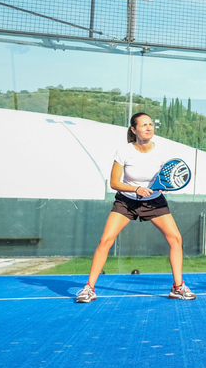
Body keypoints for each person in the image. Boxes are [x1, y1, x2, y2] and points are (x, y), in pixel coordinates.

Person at [76, 112, 196, 303]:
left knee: (175, 239)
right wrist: (137, 189)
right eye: (144, 125)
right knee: (105, 240)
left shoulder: (161, 153)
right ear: (134, 129)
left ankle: (177, 287)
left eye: (151, 124)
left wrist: (164, 188)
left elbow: (166, 179)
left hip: (154, 201)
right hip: (126, 201)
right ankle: (88, 289)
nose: (149, 128)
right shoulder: (124, 152)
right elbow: (114, 183)